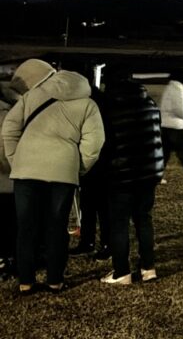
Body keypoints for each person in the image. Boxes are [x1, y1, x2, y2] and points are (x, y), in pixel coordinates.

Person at [2, 59, 105, 294]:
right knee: (56, 227)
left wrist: (16, 159)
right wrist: (77, 168)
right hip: (63, 172)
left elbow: (9, 128)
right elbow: (94, 143)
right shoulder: (88, 104)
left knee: (26, 227)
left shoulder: (32, 96)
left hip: (26, 169)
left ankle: (26, 281)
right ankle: (54, 280)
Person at [99, 73, 164, 285]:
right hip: (148, 171)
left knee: (119, 223)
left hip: (121, 173)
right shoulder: (150, 104)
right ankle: (149, 268)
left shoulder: (110, 109)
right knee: (144, 219)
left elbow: (107, 143)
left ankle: (121, 271)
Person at [73, 69, 110, 260]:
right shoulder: (100, 98)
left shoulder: (88, 101)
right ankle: (98, 242)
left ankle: (93, 241)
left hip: (96, 158)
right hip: (101, 158)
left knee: (94, 204)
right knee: (95, 204)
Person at [0, 75, 27, 279]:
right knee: (13, 222)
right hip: (13, 176)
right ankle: (14, 258)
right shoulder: (14, 111)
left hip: (5, 176)